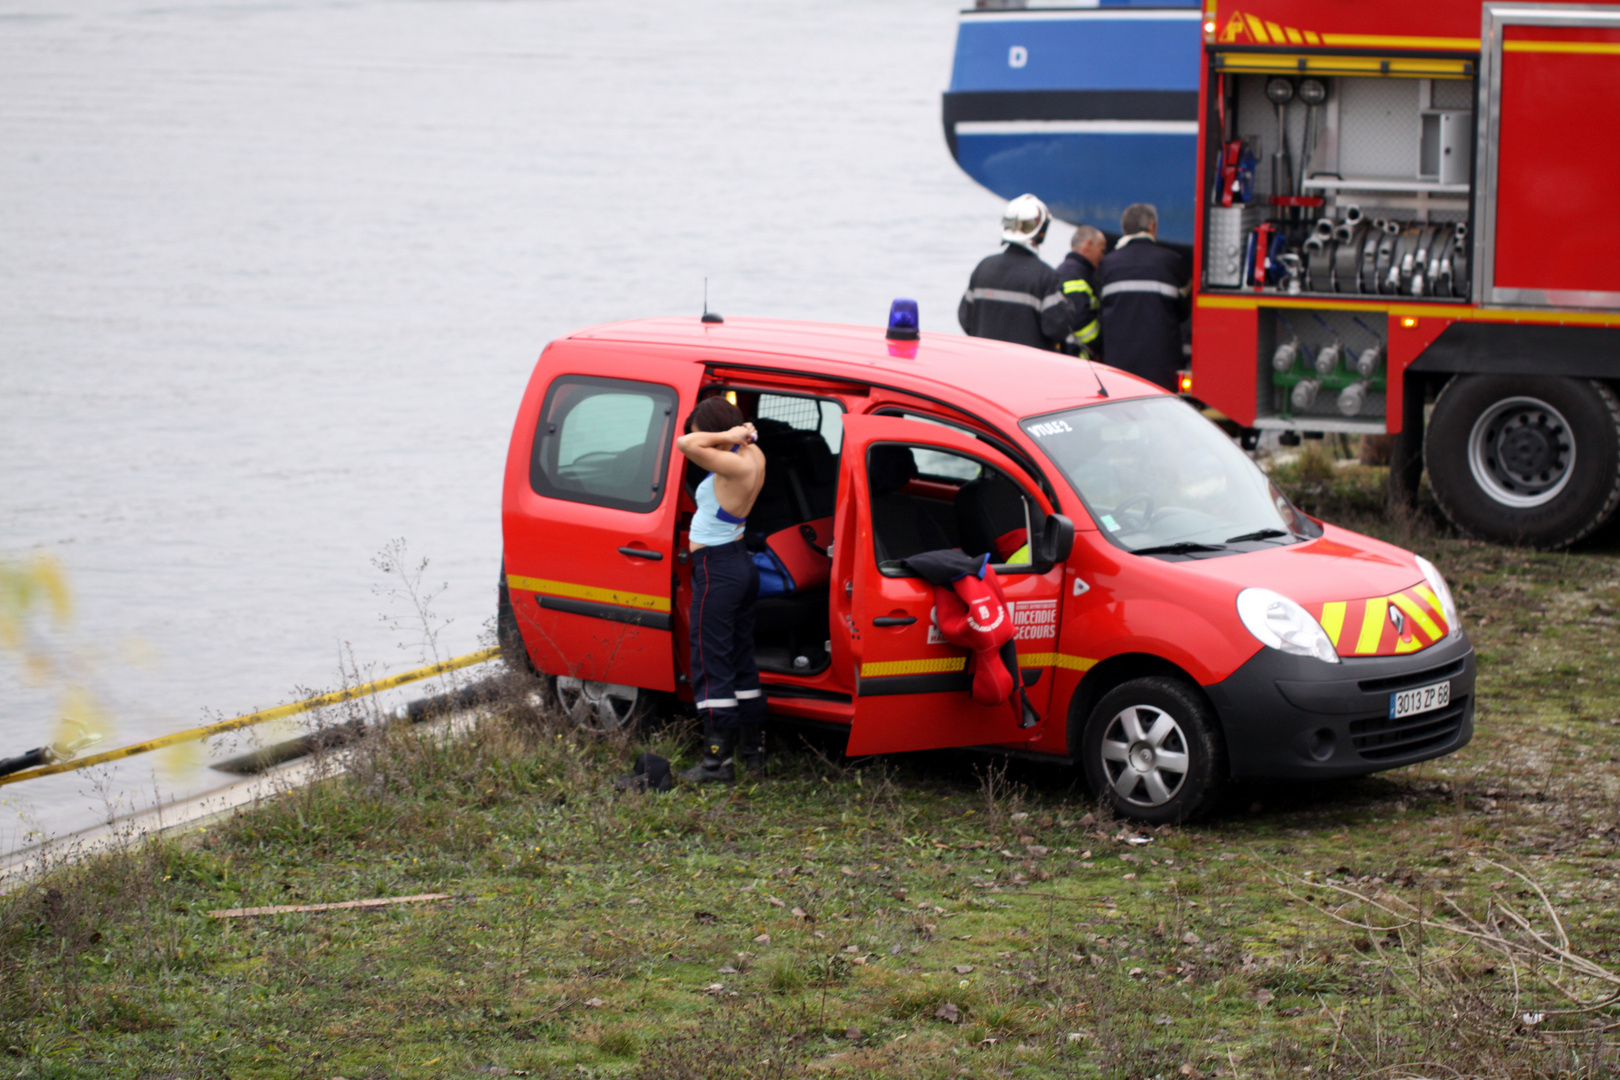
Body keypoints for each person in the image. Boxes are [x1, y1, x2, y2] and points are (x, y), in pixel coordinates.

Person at [674, 396, 768, 782]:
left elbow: (685, 445)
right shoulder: (753, 454)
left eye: (708, 432)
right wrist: (736, 433)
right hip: (738, 562)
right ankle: (754, 756)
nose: (705, 441)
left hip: (717, 568)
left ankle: (716, 763)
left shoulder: (733, 463)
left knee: (711, 663)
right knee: (741, 658)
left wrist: (724, 435)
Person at [958, 194, 1079, 350]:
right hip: (1027, 369)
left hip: (985, 365)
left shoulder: (983, 268)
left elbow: (966, 319)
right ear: (1041, 230)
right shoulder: (1045, 276)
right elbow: (1057, 327)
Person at [1096, 203, 1191, 391]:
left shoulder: (1107, 264)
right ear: (1152, 227)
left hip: (1118, 367)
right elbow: (1183, 312)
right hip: (1161, 367)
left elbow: (1099, 311)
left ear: (1124, 229)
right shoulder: (1171, 261)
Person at [1055, 224, 1105, 358]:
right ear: (1088, 244)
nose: (1102, 256)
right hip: (1077, 358)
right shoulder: (1074, 274)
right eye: (1101, 250)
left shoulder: (1072, 271)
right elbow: (1080, 319)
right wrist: (1100, 345)